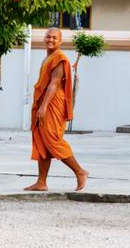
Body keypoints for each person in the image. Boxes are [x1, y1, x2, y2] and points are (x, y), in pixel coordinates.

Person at [24, 27, 88, 191]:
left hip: (52, 103)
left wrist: (43, 106)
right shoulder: (47, 57)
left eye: (54, 38)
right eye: (48, 37)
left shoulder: (59, 58)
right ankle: (41, 182)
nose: (51, 40)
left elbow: (54, 83)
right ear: (44, 38)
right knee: (42, 141)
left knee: (53, 139)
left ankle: (80, 171)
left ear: (60, 41)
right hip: (44, 101)